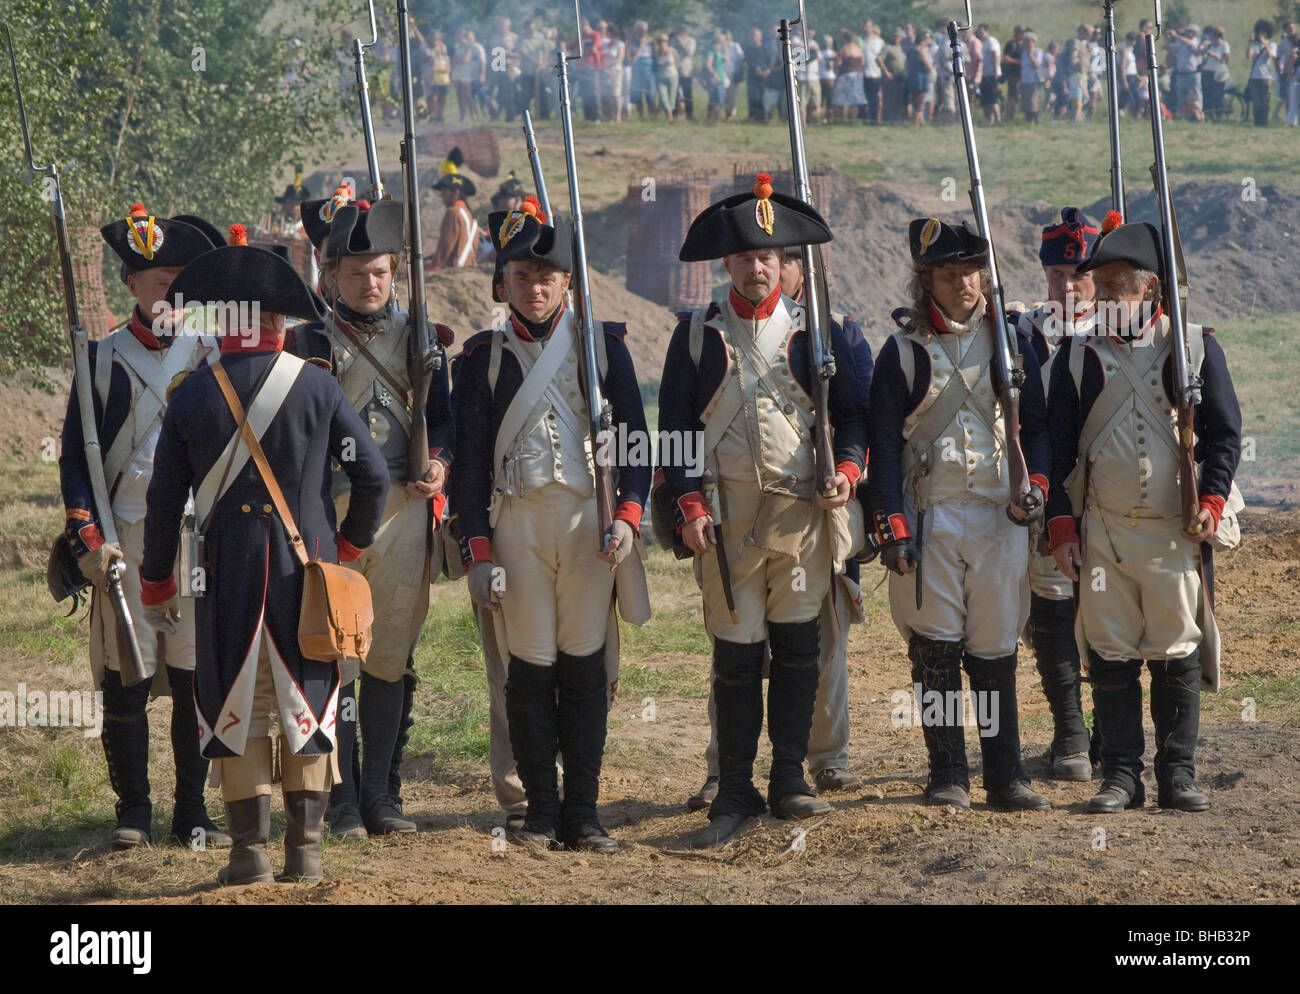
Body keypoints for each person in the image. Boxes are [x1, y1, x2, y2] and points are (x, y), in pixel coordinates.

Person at [140, 231, 388, 884]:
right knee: (308, 704)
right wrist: (350, 549)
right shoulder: (318, 388)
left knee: (234, 704)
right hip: (306, 577)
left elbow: (163, 505)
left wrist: (157, 580)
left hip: (223, 578)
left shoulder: (190, 395)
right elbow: (373, 480)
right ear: (278, 320)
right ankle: (304, 854)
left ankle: (248, 853)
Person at [660, 176, 867, 847]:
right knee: (738, 654)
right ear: (729, 263)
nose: (758, 266)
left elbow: (858, 420)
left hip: (802, 518)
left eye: (770, 256)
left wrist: (846, 470)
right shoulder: (694, 337)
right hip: (725, 522)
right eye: (746, 255)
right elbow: (675, 431)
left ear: (786, 264)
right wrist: (688, 503)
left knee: (799, 648)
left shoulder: (823, 334)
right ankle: (737, 786)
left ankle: (790, 778)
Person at [448, 202, 651, 853]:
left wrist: (628, 516)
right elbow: (471, 466)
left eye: (550, 275)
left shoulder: (605, 349)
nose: (537, 288)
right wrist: (477, 548)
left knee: (585, 669)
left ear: (569, 282)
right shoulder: (480, 359)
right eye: (524, 275)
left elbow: (638, 448)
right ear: (502, 282)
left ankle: (583, 811)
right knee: (529, 671)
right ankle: (539, 810)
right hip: (517, 532)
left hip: (588, 529)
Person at [1047, 221, 1242, 814]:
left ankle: (1177, 774)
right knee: (1110, 652)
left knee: (1175, 649)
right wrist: (1060, 527)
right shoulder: (1076, 358)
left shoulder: (1195, 347)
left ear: (1150, 289)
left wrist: (1210, 503)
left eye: (1115, 288)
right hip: (1103, 529)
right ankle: (1120, 775)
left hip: (1173, 529)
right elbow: (1054, 450)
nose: (1102, 299)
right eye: (1098, 287)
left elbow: (1225, 435)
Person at [867, 217, 1052, 812]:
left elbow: (1042, 428)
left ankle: (1006, 773)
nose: (963, 284)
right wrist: (891, 526)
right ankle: (948, 771)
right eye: (949, 275)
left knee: (995, 647)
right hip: (933, 515)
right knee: (936, 649)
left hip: (1002, 515)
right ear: (926, 282)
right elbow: (883, 446)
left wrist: (1039, 487)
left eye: (972, 272)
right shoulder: (900, 353)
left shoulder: (1014, 341)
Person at [60, 206, 229, 851]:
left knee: (191, 677)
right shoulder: (101, 361)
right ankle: (134, 809)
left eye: (181, 281)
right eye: (159, 280)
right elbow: (76, 455)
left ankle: (193, 810)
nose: (171, 292)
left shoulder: (213, 354)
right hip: (125, 540)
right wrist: (86, 530)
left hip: (195, 538)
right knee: (125, 673)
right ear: (132, 285)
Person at [292, 196, 454, 839]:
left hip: (404, 509)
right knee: (337, 655)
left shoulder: (421, 336)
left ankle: (384, 794)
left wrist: (439, 463)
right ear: (331, 277)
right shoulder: (306, 340)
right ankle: (342, 799)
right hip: (330, 511)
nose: (370, 283)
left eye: (381, 271)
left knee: (388, 656)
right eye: (356, 272)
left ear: (395, 272)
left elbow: (444, 421)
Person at [1009, 208, 1100, 781]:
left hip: (1109, 486)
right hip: (1047, 484)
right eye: (1057, 273)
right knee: (1050, 607)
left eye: (1079, 273)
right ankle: (1070, 731)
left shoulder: (1123, 327)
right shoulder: (1022, 332)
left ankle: (1117, 734)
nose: (1067, 285)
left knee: (1113, 607)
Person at [429, 149, 479, 271]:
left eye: (444, 191)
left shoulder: (453, 212)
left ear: (455, 193)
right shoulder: (467, 213)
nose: (441, 195)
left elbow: (445, 247)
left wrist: (433, 267)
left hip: (454, 271)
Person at [1247, 20, 1279, 127]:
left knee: (1265, 100)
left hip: (1266, 76)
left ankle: (1264, 121)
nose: (1261, 33)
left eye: (1263, 32)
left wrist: (1265, 44)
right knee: (1256, 101)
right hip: (1254, 76)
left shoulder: (1272, 44)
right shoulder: (1254, 44)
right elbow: (1248, 56)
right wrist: (1250, 43)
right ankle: (1257, 121)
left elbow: (1270, 56)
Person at [652, 32, 680, 122]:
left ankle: (658, 112)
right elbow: (655, 65)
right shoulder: (656, 53)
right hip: (660, 77)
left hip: (672, 76)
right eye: (660, 41)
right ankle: (669, 115)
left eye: (664, 40)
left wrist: (673, 71)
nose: (662, 42)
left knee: (671, 97)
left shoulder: (673, 51)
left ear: (667, 41)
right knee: (663, 96)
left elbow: (677, 63)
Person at [977, 24, 1001, 124]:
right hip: (985, 74)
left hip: (991, 74)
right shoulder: (984, 42)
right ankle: (990, 120)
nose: (979, 34)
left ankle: (998, 119)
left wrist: (995, 72)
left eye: (981, 32)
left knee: (992, 99)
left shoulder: (991, 41)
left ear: (987, 31)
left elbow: (995, 55)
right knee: (986, 99)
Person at [671, 24, 697, 120]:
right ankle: (674, 114)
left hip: (686, 71)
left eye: (679, 31)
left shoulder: (691, 41)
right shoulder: (673, 41)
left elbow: (688, 53)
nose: (677, 33)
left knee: (687, 94)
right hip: (674, 71)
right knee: (674, 93)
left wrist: (680, 43)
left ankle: (690, 115)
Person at [1019, 30, 1042, 124]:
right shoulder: (1023, 53)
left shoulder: (1038, 52)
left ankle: (1035, 120)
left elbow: (1036, 65)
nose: (1026, 43)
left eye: (1028, 41)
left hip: (1034, 80)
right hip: (1025, 81)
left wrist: (1030, 54)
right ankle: (1028, 120)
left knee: (1033, 101)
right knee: (1026, 101)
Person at [1002, 26, 1024, 122]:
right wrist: (1018, 62)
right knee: (1012, 97)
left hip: (1022, 76)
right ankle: (1008, 118)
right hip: (1013, 75)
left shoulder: (1024, 45)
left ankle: (1011, 117)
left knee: (1015, 97)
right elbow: (1005, 58)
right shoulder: (1011, 44)